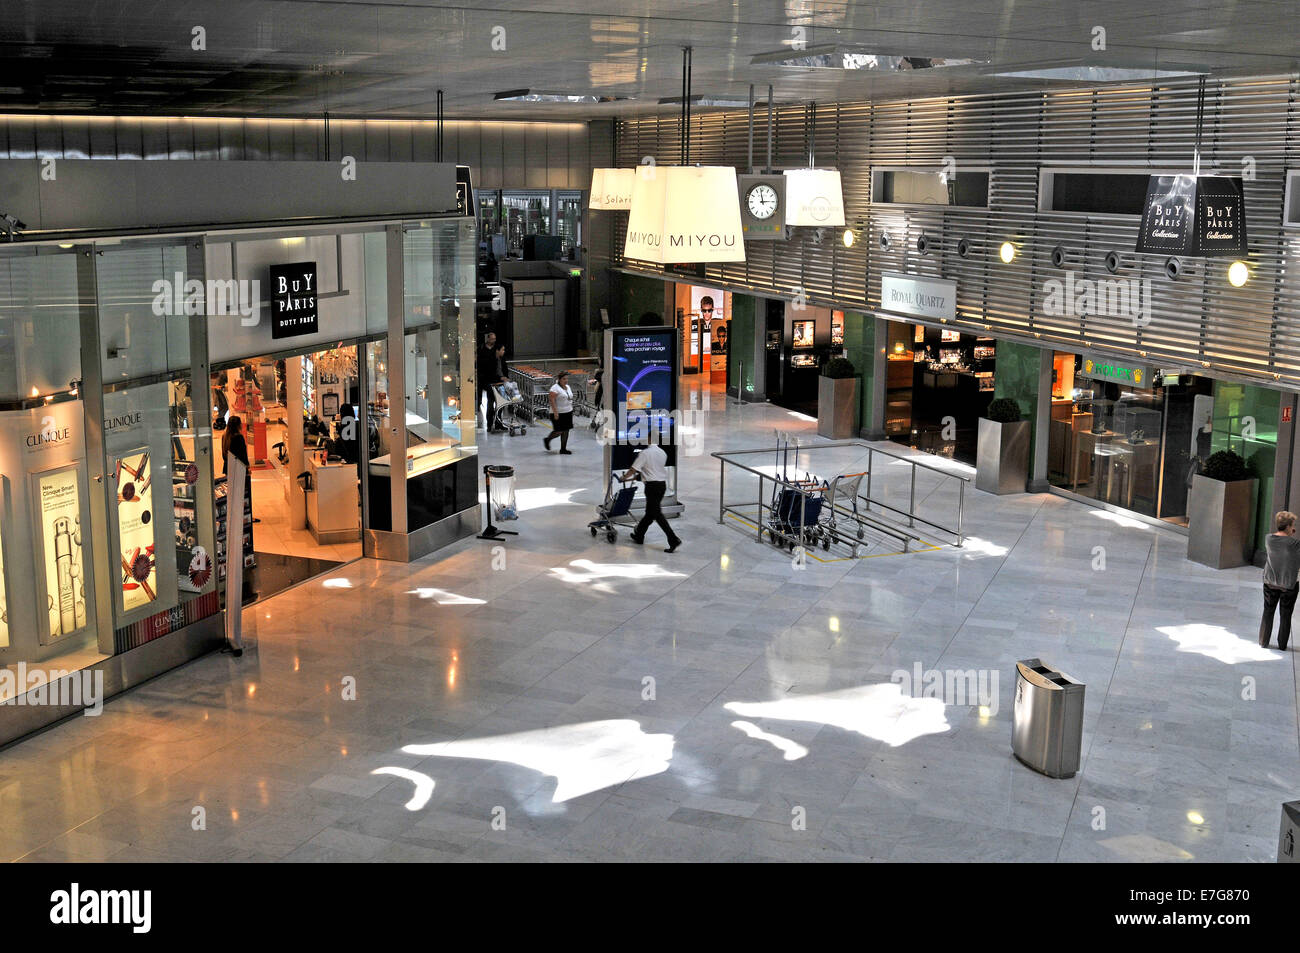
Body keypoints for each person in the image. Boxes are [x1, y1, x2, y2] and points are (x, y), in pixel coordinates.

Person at [621, 442, 682, 553]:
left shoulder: (645, 453)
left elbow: (633, 469)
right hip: (661, 485)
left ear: (649, 439)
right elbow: (651, 471)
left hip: (652, 487)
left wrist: (624, 477)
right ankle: (639, 535)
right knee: (650, 513)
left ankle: (673, 539)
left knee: (656, 513)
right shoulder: (662, 452)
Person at [1260, 510, 1300, 649]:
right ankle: (1282, 645)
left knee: (1268, 612)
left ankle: (1263, 641)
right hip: (1289, 585)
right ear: (1289, 526)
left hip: (1270, 582)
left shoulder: (1268, 539)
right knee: (1285, 615)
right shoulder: (1295, 544)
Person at [544, 370, 575, 454]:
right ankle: (547, 439)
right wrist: (555, 412)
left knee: (566, 431)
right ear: (559, 379)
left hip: (568, 411)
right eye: (564, 379)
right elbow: (552, 400)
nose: (566, 380)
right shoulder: (554, 388)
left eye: (567, 379)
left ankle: (563, 449)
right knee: (559, 431)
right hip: (558, 413)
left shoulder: (568, 387)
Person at [477, 330, 498, 430]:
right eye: (492, 338)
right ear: (488, 339)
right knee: (488, 400)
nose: (493, 340)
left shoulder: (496, 349)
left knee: (494, 401)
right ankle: (489, 423)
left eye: (495, 339)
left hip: (494, 379)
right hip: (484, 378)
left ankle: (495, 422)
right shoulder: (481, 348)